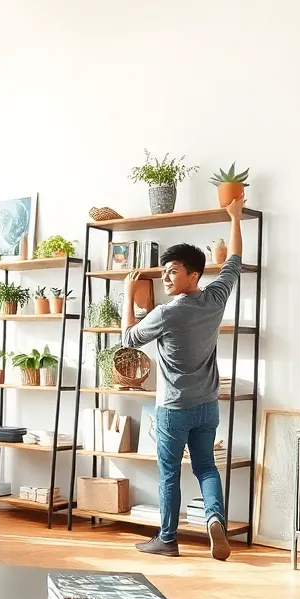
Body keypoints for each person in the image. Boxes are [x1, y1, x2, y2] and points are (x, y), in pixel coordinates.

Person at [121, 197, 246, 561]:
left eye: (173, 271)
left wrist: (127, 295)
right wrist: (235, 217)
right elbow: (234, 261)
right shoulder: (215, 299)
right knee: (206, 467)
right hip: (208, 405)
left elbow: (128, 338)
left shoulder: (167, 313)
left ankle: (167, 539)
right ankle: (214, 519)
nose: (166, 277)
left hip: (173, 410)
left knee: (169, 474)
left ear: (193, 274)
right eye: (164, 272)